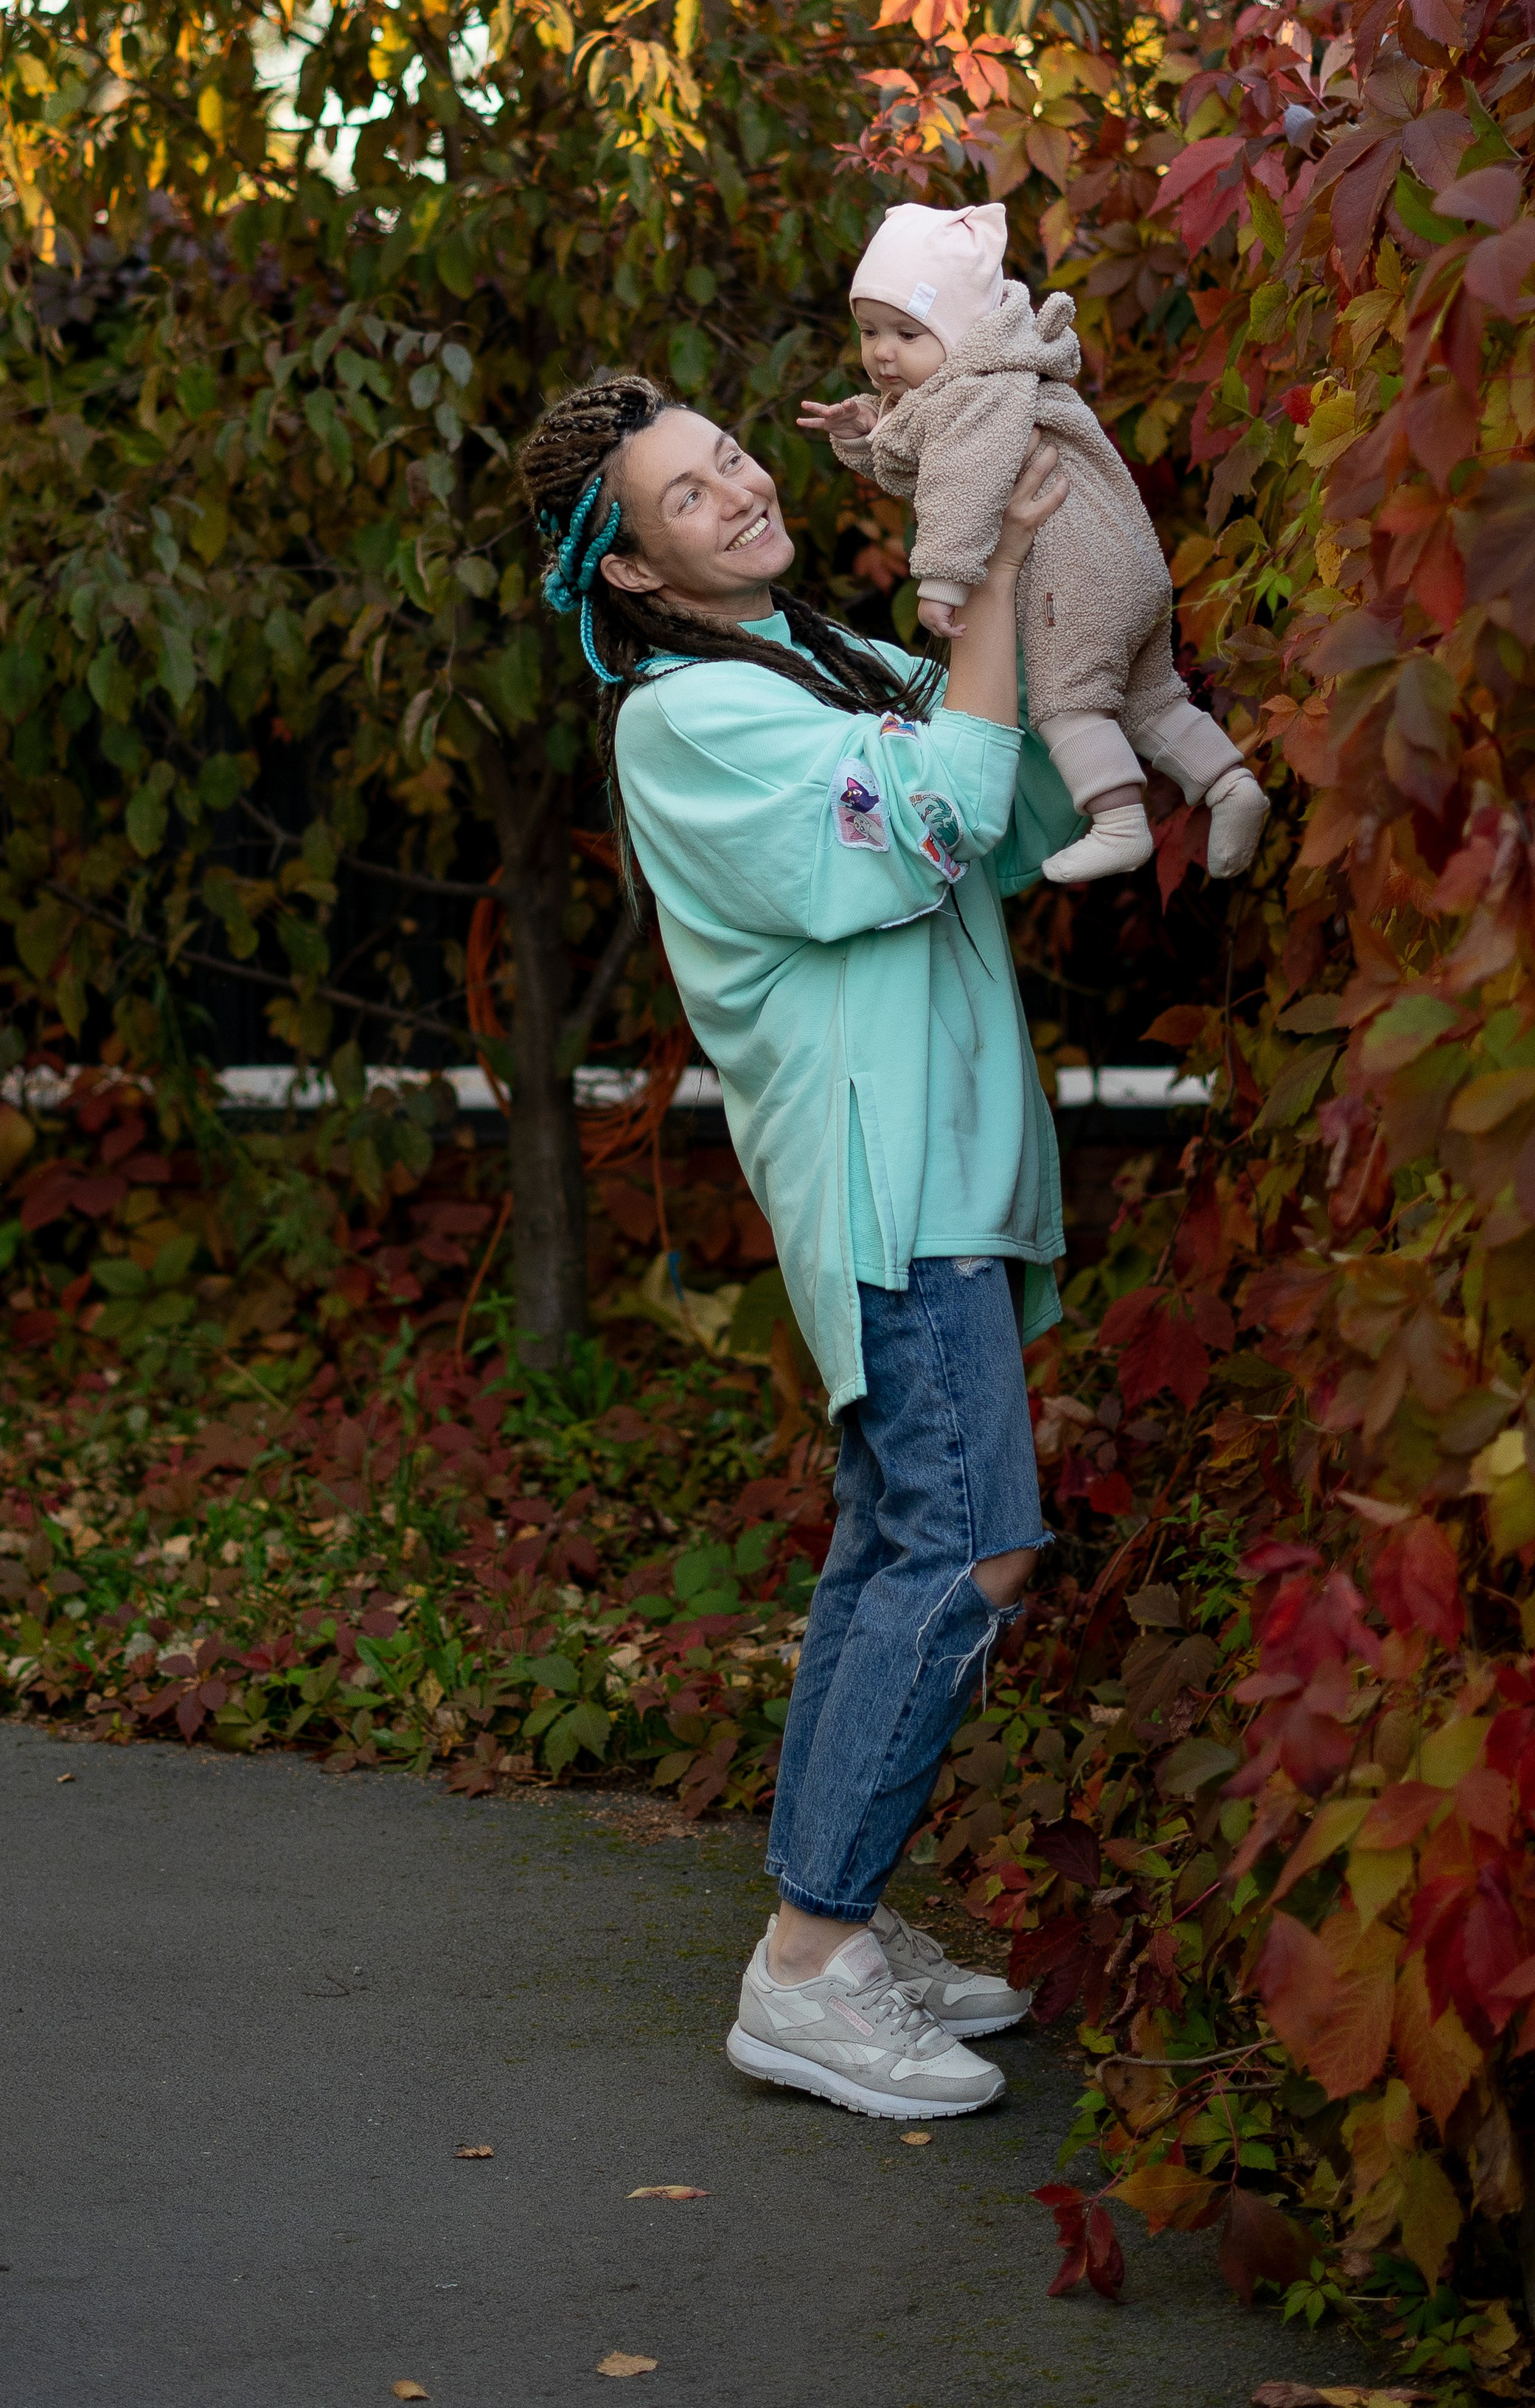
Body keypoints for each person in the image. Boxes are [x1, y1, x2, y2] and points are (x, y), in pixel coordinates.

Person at [517, 367, 1080, 2122]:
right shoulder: (682, 722)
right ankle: (808, 1955)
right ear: (630, 568)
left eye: (733, 455)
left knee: (889, 1542)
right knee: (975, 1546)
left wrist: (976, 521)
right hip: (884, 1182)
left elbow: (1026, 803)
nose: (741, 488)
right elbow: (934, 822)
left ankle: (823, 1923)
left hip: (945, 1161)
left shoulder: (811, 653)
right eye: (691, 494)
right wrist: (982, 568)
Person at [797, 198, 1270, 885]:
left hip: (1068, 573)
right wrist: (867, 435)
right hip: (1127, 562)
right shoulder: (1005, 374)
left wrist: (942, 578)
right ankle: (1229, 783)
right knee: (1149, 697)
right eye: (870, 331)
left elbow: (961, 482)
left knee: (1065, 697)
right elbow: (933, 460)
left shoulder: (978, 393)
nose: (882, 352)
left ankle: (1117, 821)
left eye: (906, 331)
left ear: (962, 332)